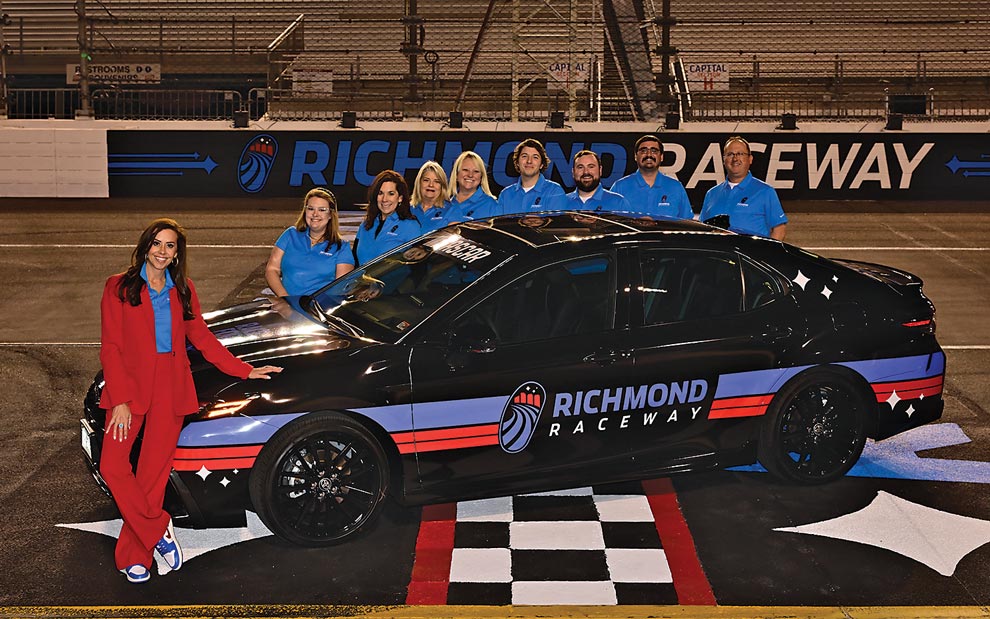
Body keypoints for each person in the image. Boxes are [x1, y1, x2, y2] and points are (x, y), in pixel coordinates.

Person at [99, 218, 282, 584]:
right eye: (157, 244)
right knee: (113, 465)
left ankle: (135, 555)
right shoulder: (118, 287)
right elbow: (111, 347)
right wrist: (119, 398)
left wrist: (244, 370)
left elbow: (203, 338)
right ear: (145, 245)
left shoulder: (182, 290)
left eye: (171, 246)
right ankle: (157, 530)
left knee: (151, 477)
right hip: (131, 389)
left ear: (177, 253)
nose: (163, 252)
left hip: (170, 385)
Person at [265, 187, 354, 300]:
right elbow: (272, 269)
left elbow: (339, 289)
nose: (315, 214)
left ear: (331, 215)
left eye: (322, 210)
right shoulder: (290, 235)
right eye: (311, 209)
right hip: (287, 307)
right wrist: (286, 299)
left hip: (319, 310)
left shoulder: (342, 247)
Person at [700, 136, 788, 240]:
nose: (735, 158)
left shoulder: (765, 192)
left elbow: (779, 229)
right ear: (724, 159)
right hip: (719, 255)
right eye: (730, 154)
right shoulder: (712, 194)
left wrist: (766, 255)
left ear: (750, 159)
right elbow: (703, 230)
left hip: (752, 255)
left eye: (740, 154)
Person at [610, 135, 693, 220]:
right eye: (643, 151)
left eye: (654, 151)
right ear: (635, 156)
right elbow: (609, 223)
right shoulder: (619, 187)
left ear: (661, 157)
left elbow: (688, 223)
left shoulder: (676, 188)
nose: (649, 154)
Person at [354, 169, 422, 266]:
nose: (384, 199)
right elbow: (355, 262)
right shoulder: (365, 225)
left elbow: (416, 267)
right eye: (380, 193)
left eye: (391, 194)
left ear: (400, 198)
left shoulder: (410, 226)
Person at [497, 138, 565, 215]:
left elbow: (557, 225)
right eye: (524, 156)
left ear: (541, 164)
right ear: (517, 162)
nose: (529, 161)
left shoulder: (554, 191)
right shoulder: (506, 194)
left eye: (535, 157)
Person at [561, 149, 631, 213]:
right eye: (580, 167)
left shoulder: (618, 202)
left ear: (600, 170)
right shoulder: (561, 202)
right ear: (573, 172)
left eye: (591, 166)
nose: (586, 172)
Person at [445, 151, 499, 223]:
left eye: (476, 171)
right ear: (456, 174)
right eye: (465, 170)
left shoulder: (491, 205)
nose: (470, 175)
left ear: (481, 177)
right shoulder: (445, 205)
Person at [410, 161, 454, 233]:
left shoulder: (451, 210)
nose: (431, 185)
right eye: (426, 180)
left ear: (442, 186)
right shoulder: (407, 210)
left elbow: (455, 242)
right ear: (419, 183)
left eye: (436, 181)